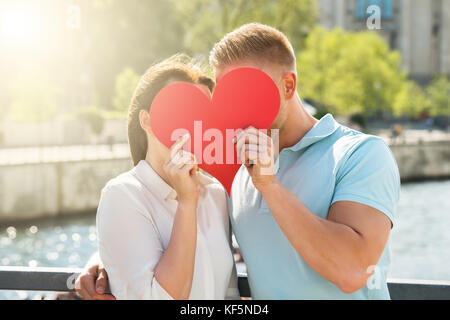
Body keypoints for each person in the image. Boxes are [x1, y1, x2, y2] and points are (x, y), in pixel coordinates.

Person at [77, 23, 400, 300]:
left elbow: (354, 270)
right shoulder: (237, 172)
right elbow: (162, 227)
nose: (237, 103)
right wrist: (105, 263)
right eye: (227, 92)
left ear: (288, 85)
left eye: (248, 88)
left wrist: (270, 186)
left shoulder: (361, 154)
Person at [75, 55, 239, 300]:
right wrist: (186, 201)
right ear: (146, 119)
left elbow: (229, 293)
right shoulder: (123, 195)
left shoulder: (214, 193)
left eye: (203, 113)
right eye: (180, 108)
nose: (192, 123)